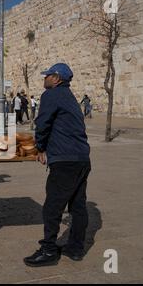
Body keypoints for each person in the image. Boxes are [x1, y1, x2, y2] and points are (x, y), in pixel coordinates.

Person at [24, 63, 91, 267]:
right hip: (82, 158)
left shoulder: (51, 95)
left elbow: (43, 123)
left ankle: (49, 250)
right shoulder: (69, 97)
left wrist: (40, 147)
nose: (44, 78)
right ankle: (75, 248)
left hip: (65, 160)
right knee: (78, 206)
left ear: (56, 78)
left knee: (52, 206)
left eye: (47, 75)